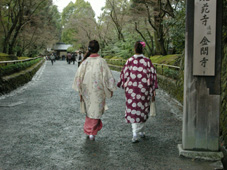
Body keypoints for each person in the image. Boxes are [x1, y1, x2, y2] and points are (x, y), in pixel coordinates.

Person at [72, 40, 116, 141]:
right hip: (99, 90)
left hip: (87, 90)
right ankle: (91, 131)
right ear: (98, 49)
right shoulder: (102, 61)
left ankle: (90, 130)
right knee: (96, 110)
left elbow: (79, 77)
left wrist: (79, 90)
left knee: (91, 110)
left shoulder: (85, 62)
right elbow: (108, 76)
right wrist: (110, 88)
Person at [117, 41, 158, 143]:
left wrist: (123, 84)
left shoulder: (129, 61)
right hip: (144, 89)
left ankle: (136, 132)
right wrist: (153, 89)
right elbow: (152, 76)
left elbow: (124, 75)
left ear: (135, 49)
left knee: (133, 109)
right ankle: (139, 131)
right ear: (142, 49)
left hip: (131, 90)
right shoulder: (147, 61)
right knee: (143, 109)